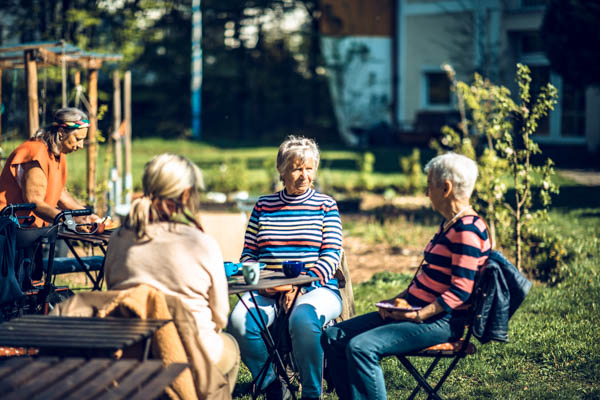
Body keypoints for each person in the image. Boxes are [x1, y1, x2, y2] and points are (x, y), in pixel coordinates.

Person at [321, 152, 492, 400]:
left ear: (446, 188)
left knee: (361, 347)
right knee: (333, 336)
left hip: (441, 321)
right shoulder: (451, 224)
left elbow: (460, 291)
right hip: (414, 310)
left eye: (429, 185)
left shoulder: (467, 231)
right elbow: (428, 277)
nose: (426, 193)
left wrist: (419, 315)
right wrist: (395, 303)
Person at [104, 153, 240, 392]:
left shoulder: (117, 239)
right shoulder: (201, 243)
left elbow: (112, 291)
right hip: (192, 351)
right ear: (186, 194)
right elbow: (220, 315)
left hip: (133, 351)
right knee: (231, 347)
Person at [228, 135, 343, 400]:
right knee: (238, 323)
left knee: (303, 319)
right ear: (282, 171)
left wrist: (299, 287)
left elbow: (330, 256)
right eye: (296, 169)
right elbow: (249, 255)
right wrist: (263, 285)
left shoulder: (325, 205)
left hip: (317, 288)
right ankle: (271, 383)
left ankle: (312, 392)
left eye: (309, 168)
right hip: (267, 289)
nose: (304, 176)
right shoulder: (263, 206)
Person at [0, 107, 97, 227]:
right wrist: (71, 222)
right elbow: (34, 202)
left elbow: (60, 193)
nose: (81, 145)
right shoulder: (35, 153)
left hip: (29, 227)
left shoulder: (58, 154)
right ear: (61, 132)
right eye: (77, 139)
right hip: (9, 227)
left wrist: (86, 216)